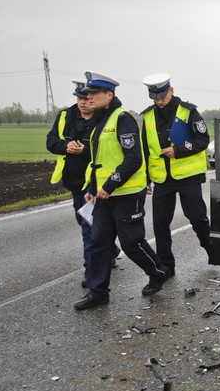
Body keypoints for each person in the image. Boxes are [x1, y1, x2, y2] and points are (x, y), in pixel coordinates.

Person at [74, 72, 169, 310]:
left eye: (94, 93)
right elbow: (98, 162)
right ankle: (98, 293)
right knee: (99, 243)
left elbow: (134, 158)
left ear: (110, 95)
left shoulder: (122, 119)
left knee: (131, 243)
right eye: (88, 94)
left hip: (127, 194)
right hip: (105, 196)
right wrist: (92, 188)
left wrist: (109, 184)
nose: (90, 97)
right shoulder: (98, 124)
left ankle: (158, 272)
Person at [46, 81, 119, 287]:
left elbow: (110, 148)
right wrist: (66, 146)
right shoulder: (64, 117)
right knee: (85, 221)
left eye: (87, 99)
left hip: (98, 182)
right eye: (79, 99)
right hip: (76, 182)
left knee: (89, 227)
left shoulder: (104, 118)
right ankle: (110, 249)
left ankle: (92, 270)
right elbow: (51, 142)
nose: (83, 103)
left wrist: (84, 150)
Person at [140, 73, 210, 277]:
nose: (159, 101)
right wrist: (146, 179)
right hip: (162, 179)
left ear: (171, 90)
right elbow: (144, 150)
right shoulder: (147, 116)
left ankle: (211, 248)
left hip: (188, 177)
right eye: (155, 98)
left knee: (197, 219)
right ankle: (166, 267)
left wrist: (178, 150)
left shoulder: (188, 111)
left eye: (162, 96)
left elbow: (203, 140)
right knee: (160, 225)